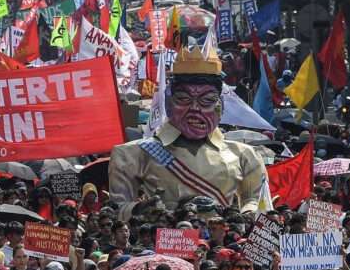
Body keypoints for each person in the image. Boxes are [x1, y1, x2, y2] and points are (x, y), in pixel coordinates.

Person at [109, 46, 266, 220]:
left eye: (207, 100)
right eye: (184, 99)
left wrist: (246, 215)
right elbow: (115, 213)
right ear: (168, 103)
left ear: (221, 106)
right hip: (165, 235)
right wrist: (142, 210)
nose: (195, 108)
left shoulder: (245, 156)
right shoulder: (132, 154)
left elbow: (258, 204)